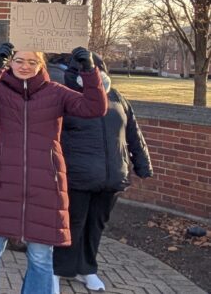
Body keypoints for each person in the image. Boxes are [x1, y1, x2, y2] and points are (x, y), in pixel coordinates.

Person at [0, 43, 108, 294]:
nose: (25, 66)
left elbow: (95, 108)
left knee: (41, 258)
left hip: (46, 187)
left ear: (41, 64)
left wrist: (89, 71)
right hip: (4, 184)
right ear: (10, 62)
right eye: (19, 60)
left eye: (32, 62)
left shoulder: (56, 92)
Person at [49, 53, 153, 293]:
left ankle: (87, 268)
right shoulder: (67, 96)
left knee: (96, 225)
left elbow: (133, 133)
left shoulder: (117, 97)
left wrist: (143, 165)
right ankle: (58, 269)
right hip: (77, 175)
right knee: (71, 225)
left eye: (93, 66)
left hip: (112, 176)